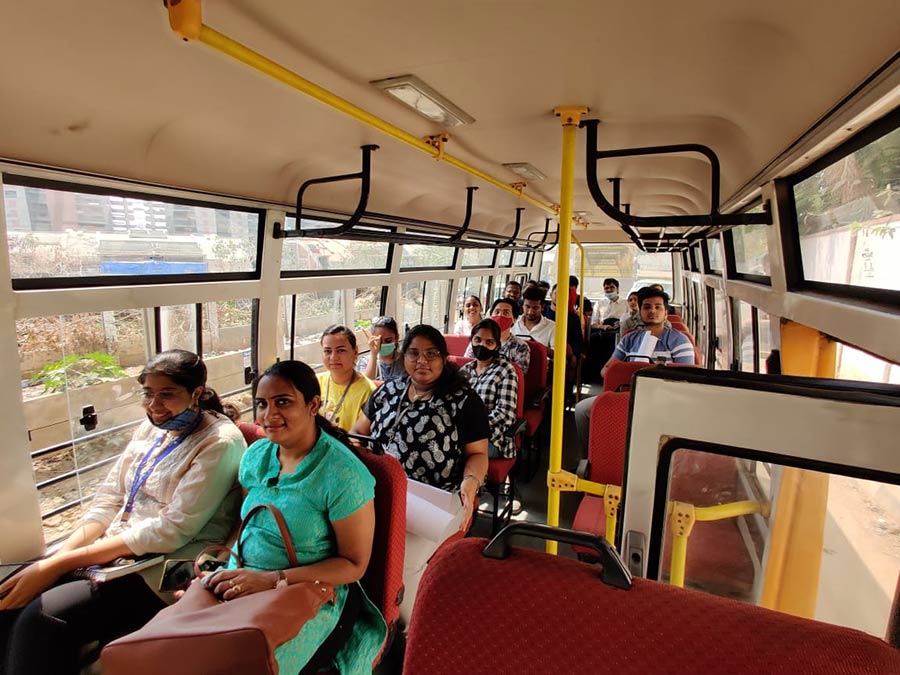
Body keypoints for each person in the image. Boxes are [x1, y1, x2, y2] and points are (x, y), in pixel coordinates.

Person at [0, 350, 244, 675]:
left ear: (196, 393)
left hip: (170, 565)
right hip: (116, 551)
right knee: (8, 599)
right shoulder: (151, 429)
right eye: (148, 394)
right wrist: (56, 560)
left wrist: (61, 564)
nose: (154, 405)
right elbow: (109, 498)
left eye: (167, 394)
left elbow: (171, 531)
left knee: (42, 620)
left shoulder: (220, 443)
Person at [207, 360, 385, 674]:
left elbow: (353, 565)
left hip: (309, 594)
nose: (268, 414)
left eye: (283, 402)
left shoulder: (343, 474)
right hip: (242, 579)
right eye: (262, 404)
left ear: (313, 405)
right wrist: (220, 567)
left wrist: (272, 580)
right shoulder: (257, 456)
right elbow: (249, 526)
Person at [351, 325, 489, 622]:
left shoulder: (464, 401)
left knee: (401, 563)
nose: (421, 361)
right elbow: (358, 434)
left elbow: (478, 455)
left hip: (439, 499)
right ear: (404, 356)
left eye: (431, 354)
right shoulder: (388, 391)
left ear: (444, 358)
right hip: (381, 492)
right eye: (413, 353)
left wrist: (471, 482)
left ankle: (409, 628)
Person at [574, 287, 693, 455]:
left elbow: (687, 379)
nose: (652, 311)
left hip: (665, 399)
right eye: (647, 307)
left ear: (666, 313)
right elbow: (605, 370)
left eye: (658, 307)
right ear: (640, 312)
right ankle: (592, 457)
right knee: (581, 410)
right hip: (629, 393)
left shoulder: (679, 341)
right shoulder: (629, 339)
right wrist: (621, 373)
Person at [460, 319, 519, 459]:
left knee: (451, 451)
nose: (482, 345)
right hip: (461, 431)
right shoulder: (464, 371)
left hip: (492, 438)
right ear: (471, 341)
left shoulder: (505, 370)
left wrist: (474, 426)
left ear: (497, 346)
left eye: (489, 342)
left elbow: (505, 413)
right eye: (478, 340)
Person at [317, 325, 376, 432]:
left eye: (341, 350)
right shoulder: (315, 382)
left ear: (355, 352)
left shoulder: (368, 391)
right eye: (327, 351)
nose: (333, 357)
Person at [465, 297, 530, 373]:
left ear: (514, 319)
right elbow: (467, 363)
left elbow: (519, 374)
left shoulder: (520, 346)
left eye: (505, 313)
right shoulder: (478, 340)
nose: (500, 315)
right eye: (497, 312)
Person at [358, 316, 406, 383]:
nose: (383, 344)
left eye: (388, 340)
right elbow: (367, 385)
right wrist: (373, 355)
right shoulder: (365, 362)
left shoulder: (405, 360)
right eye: (378, 341)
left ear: (397, 337)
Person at [513, 286, 556, 357]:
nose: (530, 312)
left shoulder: (552, 327)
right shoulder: (513, 323)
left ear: (542, 307)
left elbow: (556, 354)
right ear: (523, 305)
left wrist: (536, 346)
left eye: (535, 308)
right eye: (527, 307)